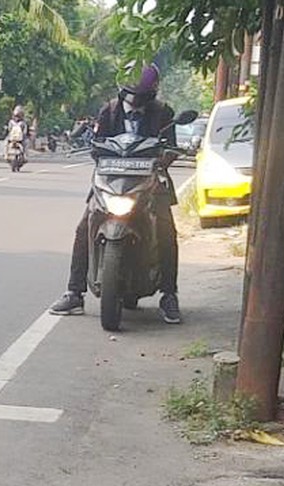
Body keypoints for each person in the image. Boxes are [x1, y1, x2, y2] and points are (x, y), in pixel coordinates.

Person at [49, 65, 182, 323]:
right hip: (111, 180)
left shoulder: (163, 113)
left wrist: (163, 158)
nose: (134, 104)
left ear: (152, 94)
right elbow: (96, 148)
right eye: (130, 97)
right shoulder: (109, 111)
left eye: (140, 99)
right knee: (83, 227)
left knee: (167, 231)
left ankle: (169, 295)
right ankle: (75, 292)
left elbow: (172, 149)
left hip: (150, 181)